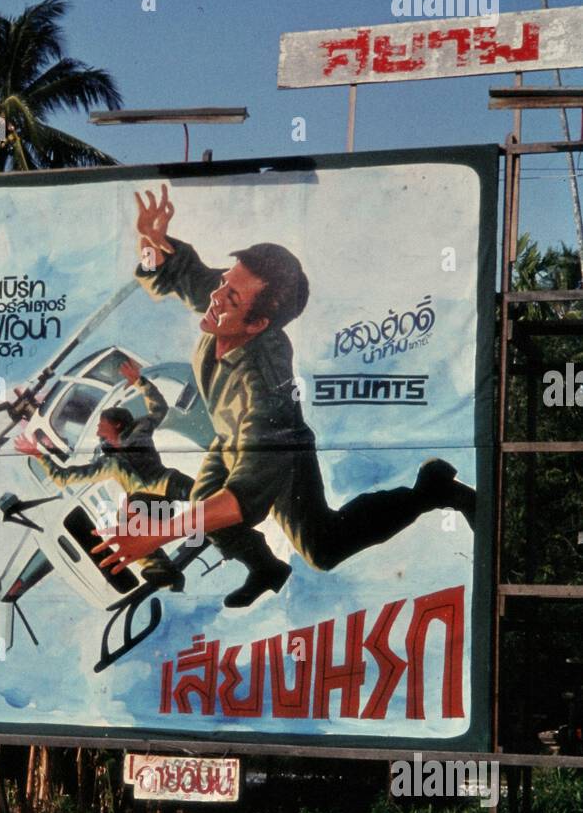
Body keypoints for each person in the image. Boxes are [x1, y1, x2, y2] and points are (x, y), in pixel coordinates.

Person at [93, 185, 475, 608]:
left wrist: (157, 533)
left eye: (230, 297)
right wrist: (151, 238)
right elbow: (173, 271)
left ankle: (432, 490)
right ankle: (266, 568)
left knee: (322, 548)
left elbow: (240, 499)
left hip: (278, 451)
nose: (216, 296)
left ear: (257, 324)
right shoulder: (229, 300)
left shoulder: (264, 390)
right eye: (224, 283)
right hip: (231, 437)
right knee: (206, 503)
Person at [15, 358, 193, 590]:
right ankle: (161, 570)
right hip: (146, 507)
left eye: (102, 424)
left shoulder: (139, 430)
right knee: (127, 516)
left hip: (167, 485)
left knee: (205, 493)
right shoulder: (107, 462)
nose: (98, 429)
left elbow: (159, 407)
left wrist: (141, 383)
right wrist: (39, 455)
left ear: (117, 425)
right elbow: (63, 477)